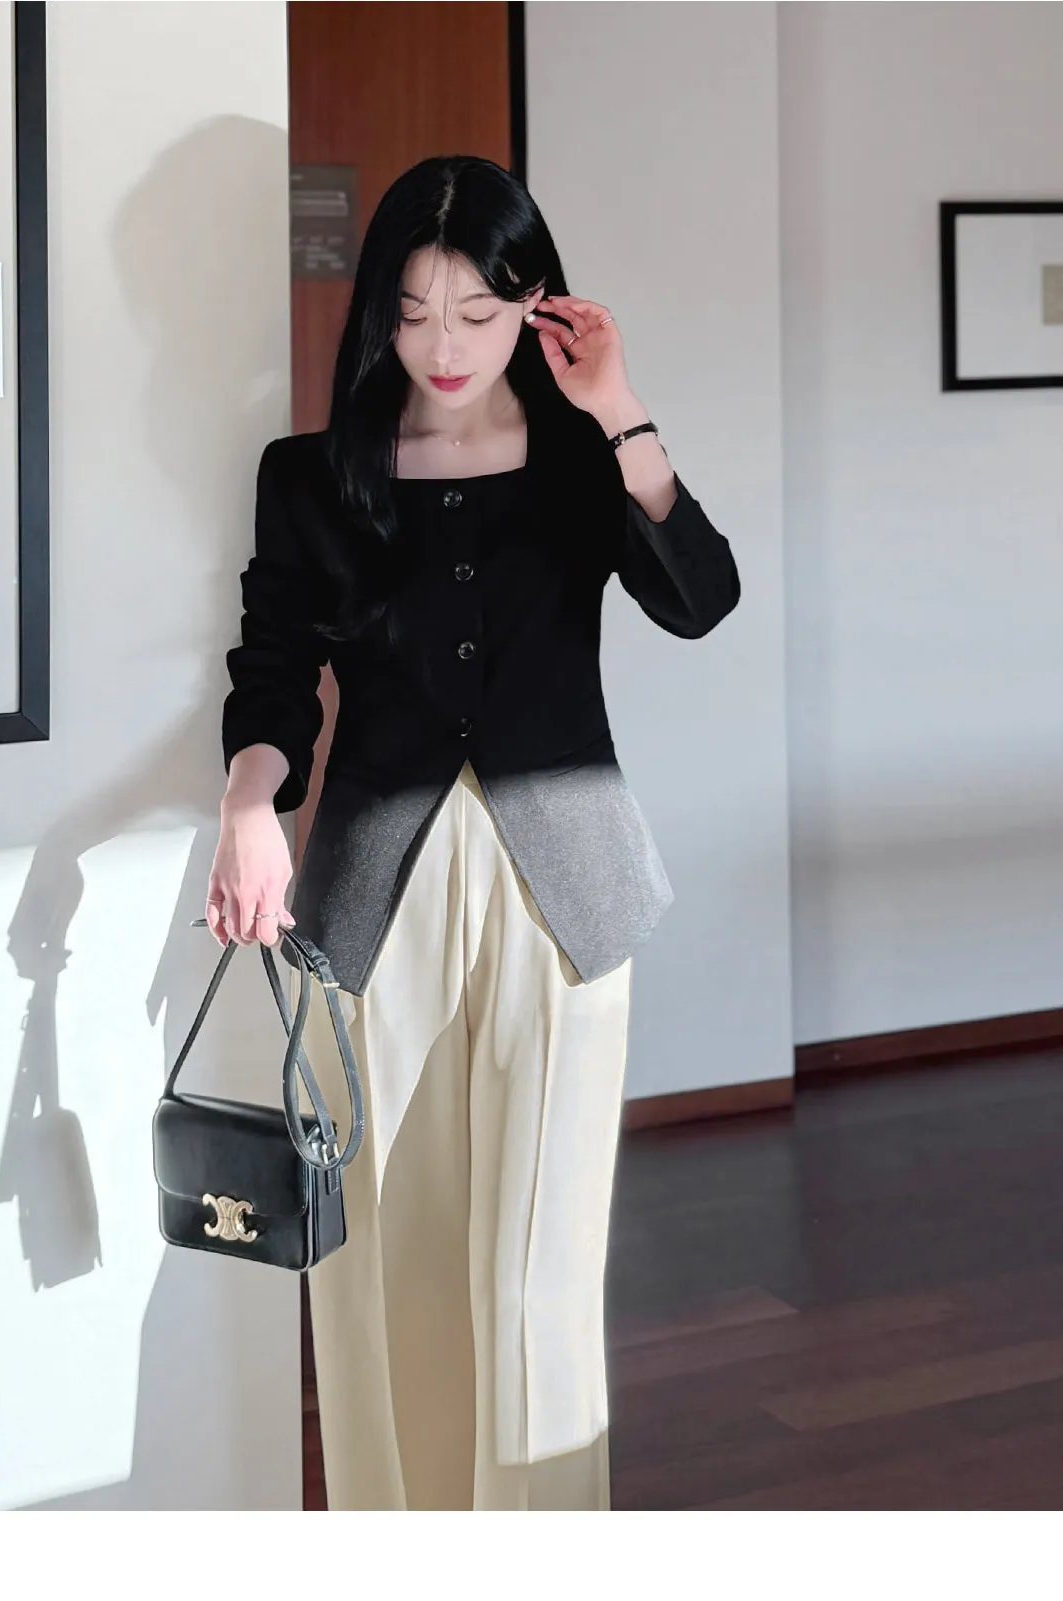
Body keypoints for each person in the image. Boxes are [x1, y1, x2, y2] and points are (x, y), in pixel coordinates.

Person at [205, 155, 740, 1510]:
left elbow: (702, 599)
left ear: (535, 305)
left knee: (536, 1281)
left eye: (479, 313)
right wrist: (248, 803)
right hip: (368, 902)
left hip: (565, 897)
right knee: (377, 1269)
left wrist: (619, 410)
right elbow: (273, 670)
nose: (443, 345)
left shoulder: (582, 460)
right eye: (413, 312)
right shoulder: (311, 476)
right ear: (376, 312)